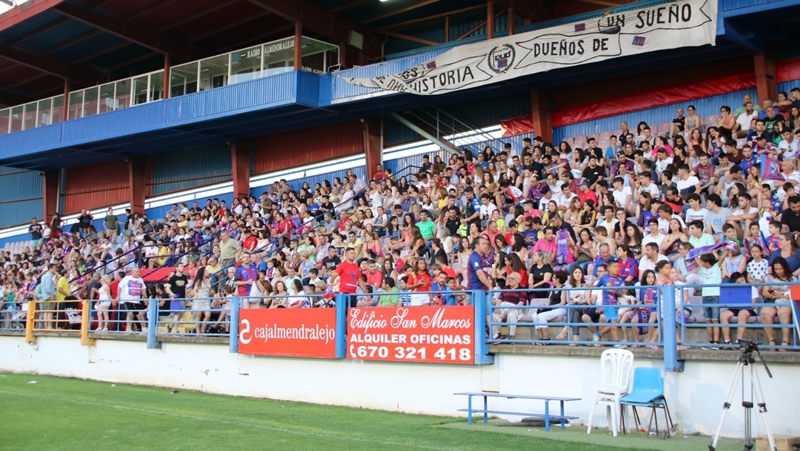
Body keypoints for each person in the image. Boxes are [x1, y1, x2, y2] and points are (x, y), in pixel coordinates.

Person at [760, 257, 796, 351]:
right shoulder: (770, 277)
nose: (778, 271)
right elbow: (765, 292)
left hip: (785, 300)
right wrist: (772, 295)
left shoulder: (792, 279)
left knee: (783, 313)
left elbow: (794, 294)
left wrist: (781, 295)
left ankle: (785, 341)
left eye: (780, 269)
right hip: (772, 300)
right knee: (764, 314)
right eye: (776, 269)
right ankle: (771, 341)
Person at [490, 272, 527, 342]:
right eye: (509, 278)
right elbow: (499, 300)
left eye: (512, 278)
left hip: (514, 307)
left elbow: (521, 303)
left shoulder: (522, 290)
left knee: (511, 315)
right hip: (503, 306)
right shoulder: (505, 288)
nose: (510, 280)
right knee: (494, 315)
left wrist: (510, 310)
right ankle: (497, 336)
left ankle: (512, 337)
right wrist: (497, 308)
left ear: (519, 280)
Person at [698, 253, 722, 350]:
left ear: (707, 262)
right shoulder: (704, 269)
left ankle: (716, 342)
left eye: (702, 261)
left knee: (715, 319)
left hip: (715, 295)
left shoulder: (716, 267)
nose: (701, 262)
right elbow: (697, 261)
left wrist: (727, 248)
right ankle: (710, 341)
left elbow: (723, 257)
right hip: (705, 296)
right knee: (708, 320)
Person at [117, 267, 146, 334]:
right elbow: (119, 286)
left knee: (137, 314)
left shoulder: (140, 279)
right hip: (128, 299)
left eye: (139, 272)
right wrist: (118, 296)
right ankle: (128, 329)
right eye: (137, 272)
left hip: (137, 300)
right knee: (130, 313)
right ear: (133, 272)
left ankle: (143, 328)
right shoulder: (126, 278)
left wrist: (145, 297)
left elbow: (143, 288)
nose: (139, 273)